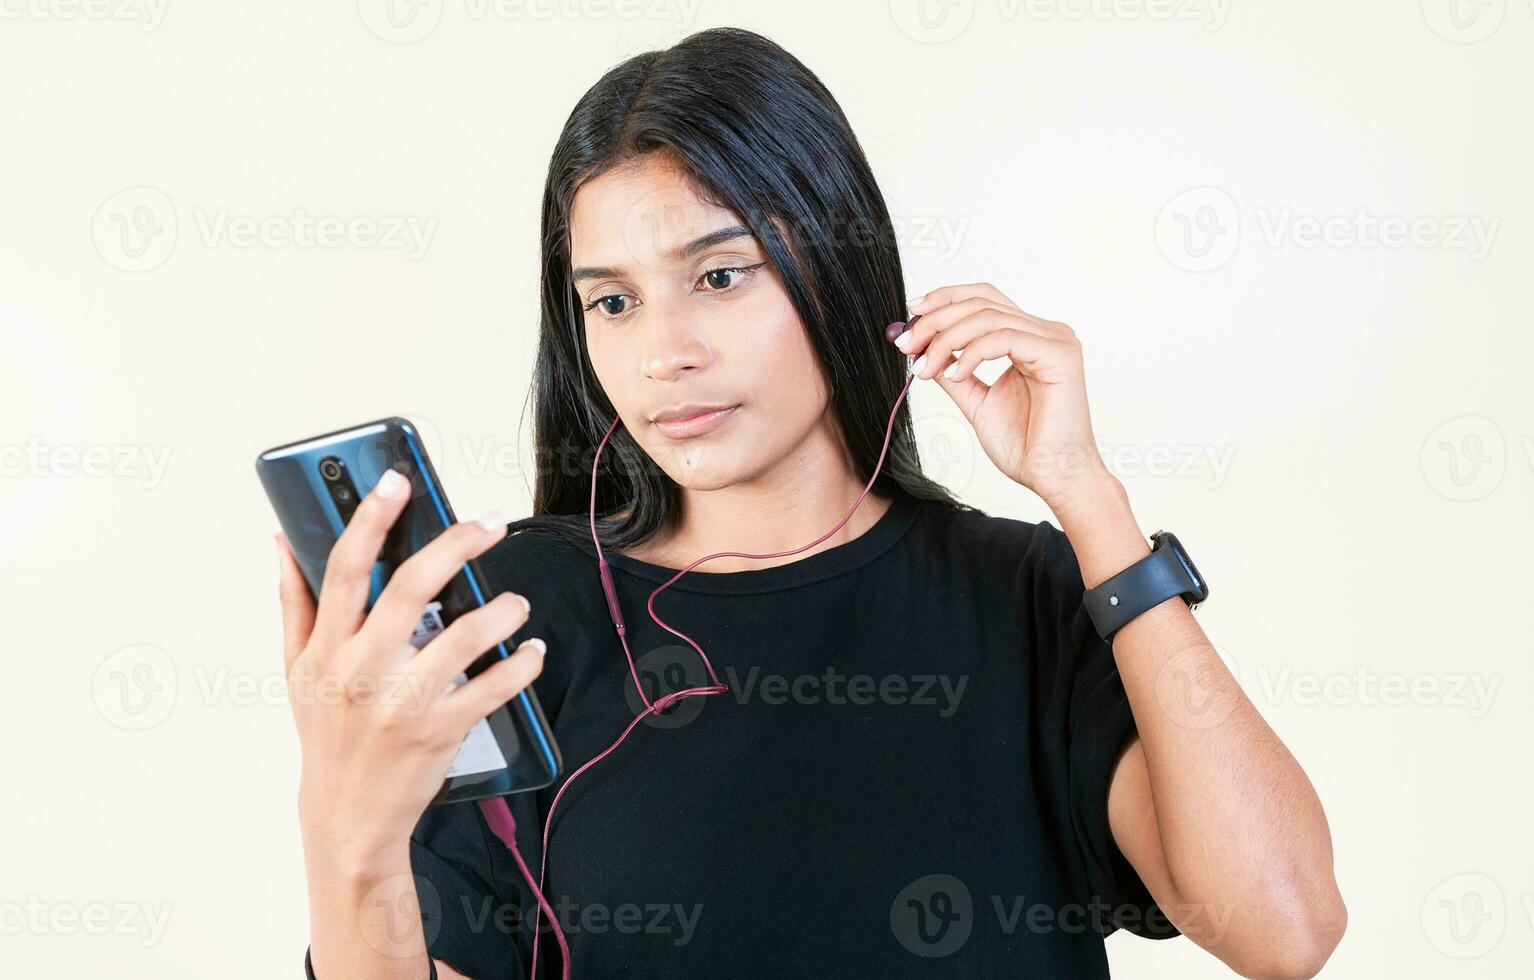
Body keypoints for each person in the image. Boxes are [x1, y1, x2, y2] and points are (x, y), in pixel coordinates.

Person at [275, 26, 1346, 980]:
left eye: (720, 275)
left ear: (837, 265)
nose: (663, 355)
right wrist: (343, 824)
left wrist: (1087, 494)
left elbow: (1282, 927)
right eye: (612, 300)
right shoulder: (513, 616)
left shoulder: (1030, 594)